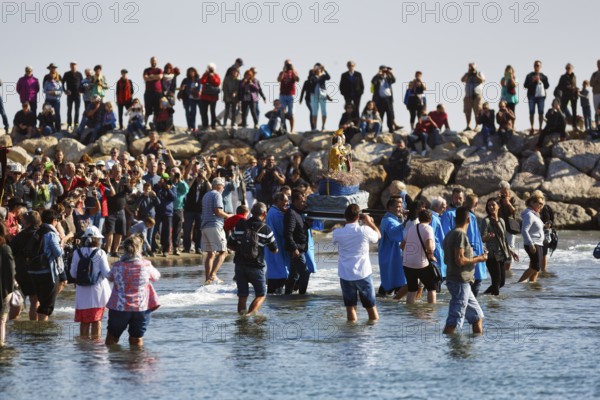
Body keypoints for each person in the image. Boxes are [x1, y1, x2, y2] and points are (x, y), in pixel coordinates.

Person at [105, 235, 160, 347]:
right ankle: (136, 362)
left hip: (119, 308)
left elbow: (109, 277)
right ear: (139, 249)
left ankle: (114, 360)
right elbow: (156, 277)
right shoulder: (146, 265)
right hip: (141, 308)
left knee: (112, 339)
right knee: (136, 340)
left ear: (124, 249)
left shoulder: (117, 266)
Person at [442, 206, 487, 335]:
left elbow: (446, 260)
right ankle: (446, 349)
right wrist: (480, 258)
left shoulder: (449, 234)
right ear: (469, 220)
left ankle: (475, 351)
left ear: (455, 219)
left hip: (459, 281)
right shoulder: (461, 234)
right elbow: (460, 260)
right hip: (460, 282)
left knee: (477, 317)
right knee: (454, 320)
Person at [332, 204, 380, 322]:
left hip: (345, 274)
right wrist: (369, 222)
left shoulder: (337, 232)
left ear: (345, 217)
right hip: (363, 273)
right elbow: (378, 235)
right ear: (358, 216)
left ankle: (351, 337)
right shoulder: (364, 230)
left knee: (350, 309)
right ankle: (373, 337)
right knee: (371, 309)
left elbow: (335, 240)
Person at [229, 202, 278, 315]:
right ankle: (249, 316)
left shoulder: (240, 225)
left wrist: (242, 250)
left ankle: (242, 320)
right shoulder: (266, 229)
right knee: (261, 295)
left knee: (242, 296)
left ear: (251, 212)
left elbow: (230, 244)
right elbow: (274, 249)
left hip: (240, 265)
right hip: (256, 266)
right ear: (264, 213)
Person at [70, 225, 111, 337]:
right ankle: (95, 346)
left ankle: (84, 348)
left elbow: (73, 273)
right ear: (98, 239)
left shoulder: (76, 253)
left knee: (84, 322)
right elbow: (107, 273)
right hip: (98, 292)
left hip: (82, 293)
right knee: (96, 320)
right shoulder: (100, 253)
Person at [28, 209, 65, 321]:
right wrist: (62, 244)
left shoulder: (37, 232)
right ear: (54, 220)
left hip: (34, 271)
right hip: (47, 273)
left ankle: (36, 329)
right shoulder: (51, 234)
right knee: (46, 306)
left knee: (40, 301)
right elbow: (58, 252)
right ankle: (42, 334)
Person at [480, 198, 518, 296]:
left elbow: (504, 239)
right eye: (489, 205)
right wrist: (488, 236)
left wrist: (512, 252)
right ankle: (494, 305)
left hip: (501, 254)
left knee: (502, 283)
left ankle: (483, 296)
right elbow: (481, 238)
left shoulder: (501, 221)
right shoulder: (486, 221)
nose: (491, 207)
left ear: (498, 206)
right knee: (496, 282)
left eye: (493, 205)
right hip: (492, 255)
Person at [401, 209, 438, 304]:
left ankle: (410, 313)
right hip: (421, 264)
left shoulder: (411, 228)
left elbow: (402, 245)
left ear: (419, 218)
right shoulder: (428, 228)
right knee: (431, 287)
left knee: (412, 289)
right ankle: (431, 311)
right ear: (430, 220)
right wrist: (431, 255)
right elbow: (429, 245)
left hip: (407, 263)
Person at [284, 190, 316, 295]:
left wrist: (307, 224)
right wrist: (294, 249)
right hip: (296, 249)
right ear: (295, 201)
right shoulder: (291, 213)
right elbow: (288, 233)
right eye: (302, 201)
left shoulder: (297, 213)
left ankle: (287, 295)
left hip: (299, 248)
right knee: (305, 273)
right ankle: (302, 296)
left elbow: (300, 230)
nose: (304, 203)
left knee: (294, 274)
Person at [10, 210, 41, 321]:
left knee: (17, 301)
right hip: (35, 272)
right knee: (34, 302)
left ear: (27, 223)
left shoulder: (18, 237)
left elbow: (11, 254)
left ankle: (9, 325)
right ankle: (34, 328)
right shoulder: (41, 235)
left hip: (20, 272)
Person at [201, 177, 232, 284]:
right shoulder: (217, 194)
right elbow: (218, 211)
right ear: (218, 185)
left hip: (205, 226)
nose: (223, 188)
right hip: (215, 225)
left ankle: (207, 279)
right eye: (223, 186)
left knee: (211, 254)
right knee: (224, 252)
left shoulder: (206, 195)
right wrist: (228, 216)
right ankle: (212, 275)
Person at [378, 197, 407, 298]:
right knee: (397, 285)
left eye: (401, 206)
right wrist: (406, 223)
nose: (401, 209)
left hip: (390, 257)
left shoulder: (389, 219)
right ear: (390, 207)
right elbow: (396, 235)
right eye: (398, 206)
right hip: (392, 258)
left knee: (387, 285)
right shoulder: (389, 221)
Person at [264, 192, 290, 294]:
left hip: (273, 246)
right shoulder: (276, 214)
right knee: (278, 278)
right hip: (276, 246)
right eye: (285, 201)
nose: (287, 203)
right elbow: (283, 230)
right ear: (277, 201)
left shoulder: (273, 211)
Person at [518, 193, 546, 283]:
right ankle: (519, 284)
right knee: (535, 266)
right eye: (538, 203)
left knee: (536, 267)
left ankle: (532, 285)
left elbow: (536, 229)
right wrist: (531, 244)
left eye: (542, 204)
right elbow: (524, 230)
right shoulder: (529, 214)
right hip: (533, 243)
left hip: (539, 243)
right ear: (531, 203)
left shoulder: (535, 215)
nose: (540, 206)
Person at [524, 60, 550, 134]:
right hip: (531, 95)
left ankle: (540, 128)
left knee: (541, 112)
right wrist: (532, 81)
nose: (536, 66)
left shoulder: (544, 76)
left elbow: (547, 86)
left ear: (541, 66)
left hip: (541, 97)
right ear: (533, 66)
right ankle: (532, 128)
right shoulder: (529, 75)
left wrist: (540, 80)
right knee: (531, 112)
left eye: (538, 65)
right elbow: (525, 85)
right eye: (535, 65)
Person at [497, 181, 519, 271]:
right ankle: (501, 269)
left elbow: (514, 212)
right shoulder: (498, 200)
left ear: (508, 190)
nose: (503, 194)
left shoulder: (513, 199)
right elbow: (494, 212)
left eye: (505, 192)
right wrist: (498, 202)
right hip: (500, 226)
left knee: (510, 247)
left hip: (510, 227)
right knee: (500, 248)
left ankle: (508, 270)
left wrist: (508, 203)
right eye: (502, 192)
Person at [372, 65, 397, 133]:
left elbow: (394, 80)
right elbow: (373, 82)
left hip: (388, 99)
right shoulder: (378, 78)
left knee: (390, 114)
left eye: (385, 70)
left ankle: (391, 129)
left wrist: (391, 73)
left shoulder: (388, 77)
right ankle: (379, 129)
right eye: (382, 70)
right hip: (380, 99)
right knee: (380, 115)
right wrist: (377, 74)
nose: (384, 71)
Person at [461, 62, 485, 131]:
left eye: (472, 67)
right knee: (467, 112)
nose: (471, 69)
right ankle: (468, 125)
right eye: (470, 67)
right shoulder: (467, 74)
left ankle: (477, 125)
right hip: (468, 95)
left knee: (477, 111)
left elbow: (482, 80)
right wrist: (468, 74)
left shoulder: (479, 73)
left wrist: (476, 75)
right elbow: (462, 80)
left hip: (477, 95)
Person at [278, 59, 300, 133]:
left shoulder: (294, 72)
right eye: (286, 64)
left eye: (289, 64)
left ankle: (292, 129)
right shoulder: (282, 73)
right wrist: (283, 72)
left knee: (291, 113)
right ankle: (283, 129)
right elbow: (279, 79)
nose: (288, 65)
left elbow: (297, 79)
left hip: (291, 95)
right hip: (283, 95)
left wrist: (293, 70)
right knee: (282, 112)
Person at [309, 63, 331, 131]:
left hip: (322, 94)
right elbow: (310, 79)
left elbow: (328, 77)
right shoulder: (312, 75)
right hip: (314, 95)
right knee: (314, 111)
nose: (318, 68)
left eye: (319, 67)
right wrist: (313, 71)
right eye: (316, 67)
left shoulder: (323, 76)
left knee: (323, 111)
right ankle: (315, 127)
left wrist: (324, 69)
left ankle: (323, 126)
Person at [199, 63, 221, 130]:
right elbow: (202, 81)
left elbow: (217, 83)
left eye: (211, 68)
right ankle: (205, 125)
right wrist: (206, 75)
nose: (211, 70)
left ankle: (213, 125)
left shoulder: (216, 75)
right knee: (204, 112)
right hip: (204, 97)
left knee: (212, 111)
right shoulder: (205, 75)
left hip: (213, 97)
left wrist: (212, 76)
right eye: (209, 68)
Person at [62, 61, 83, 131]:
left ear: (76, 66)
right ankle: (69, 124)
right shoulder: (67, 74)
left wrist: (81, 91)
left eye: (74, 65)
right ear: (70, 66)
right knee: (69, 110)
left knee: (77, 110)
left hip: (77, 95)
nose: (73, 66)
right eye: (72, 65)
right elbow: (62, 83)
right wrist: (65, 91)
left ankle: (76, 124)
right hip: (70, 95)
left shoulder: (79, 74)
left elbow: (82, 83)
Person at [556, 63, 579, 128]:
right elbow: (560, 86)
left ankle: (574, 126)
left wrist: (577, 89)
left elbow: (574, 85)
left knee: (574, 111)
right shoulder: (563, 77)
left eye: (569, 68)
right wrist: (569, 87)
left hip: (573, 96)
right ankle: (560, 124)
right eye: (567, 68)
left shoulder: (574, 76)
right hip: (565, 95)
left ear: (572, 69)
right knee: (562, 110)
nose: (568, 69)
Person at [143, 56, 164, 127]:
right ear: (150, 61)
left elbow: (160, 77)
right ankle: (144, 124)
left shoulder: (159, 70)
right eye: (152, 60)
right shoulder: (147, 70)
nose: (153, 62)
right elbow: (145, 78)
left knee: (157, 109)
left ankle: (154, 124)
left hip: (158, 92)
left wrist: (151, 76)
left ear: (156, 62)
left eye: (154, 61)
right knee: (147, 109)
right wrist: (155, 77)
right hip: (148, 92)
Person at [589, 59, 600, 128]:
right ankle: (597, 126)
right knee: (597, 111)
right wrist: (596, 80)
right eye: (598, 64)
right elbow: (591, 83)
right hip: (596, 94)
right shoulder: (594, 74)